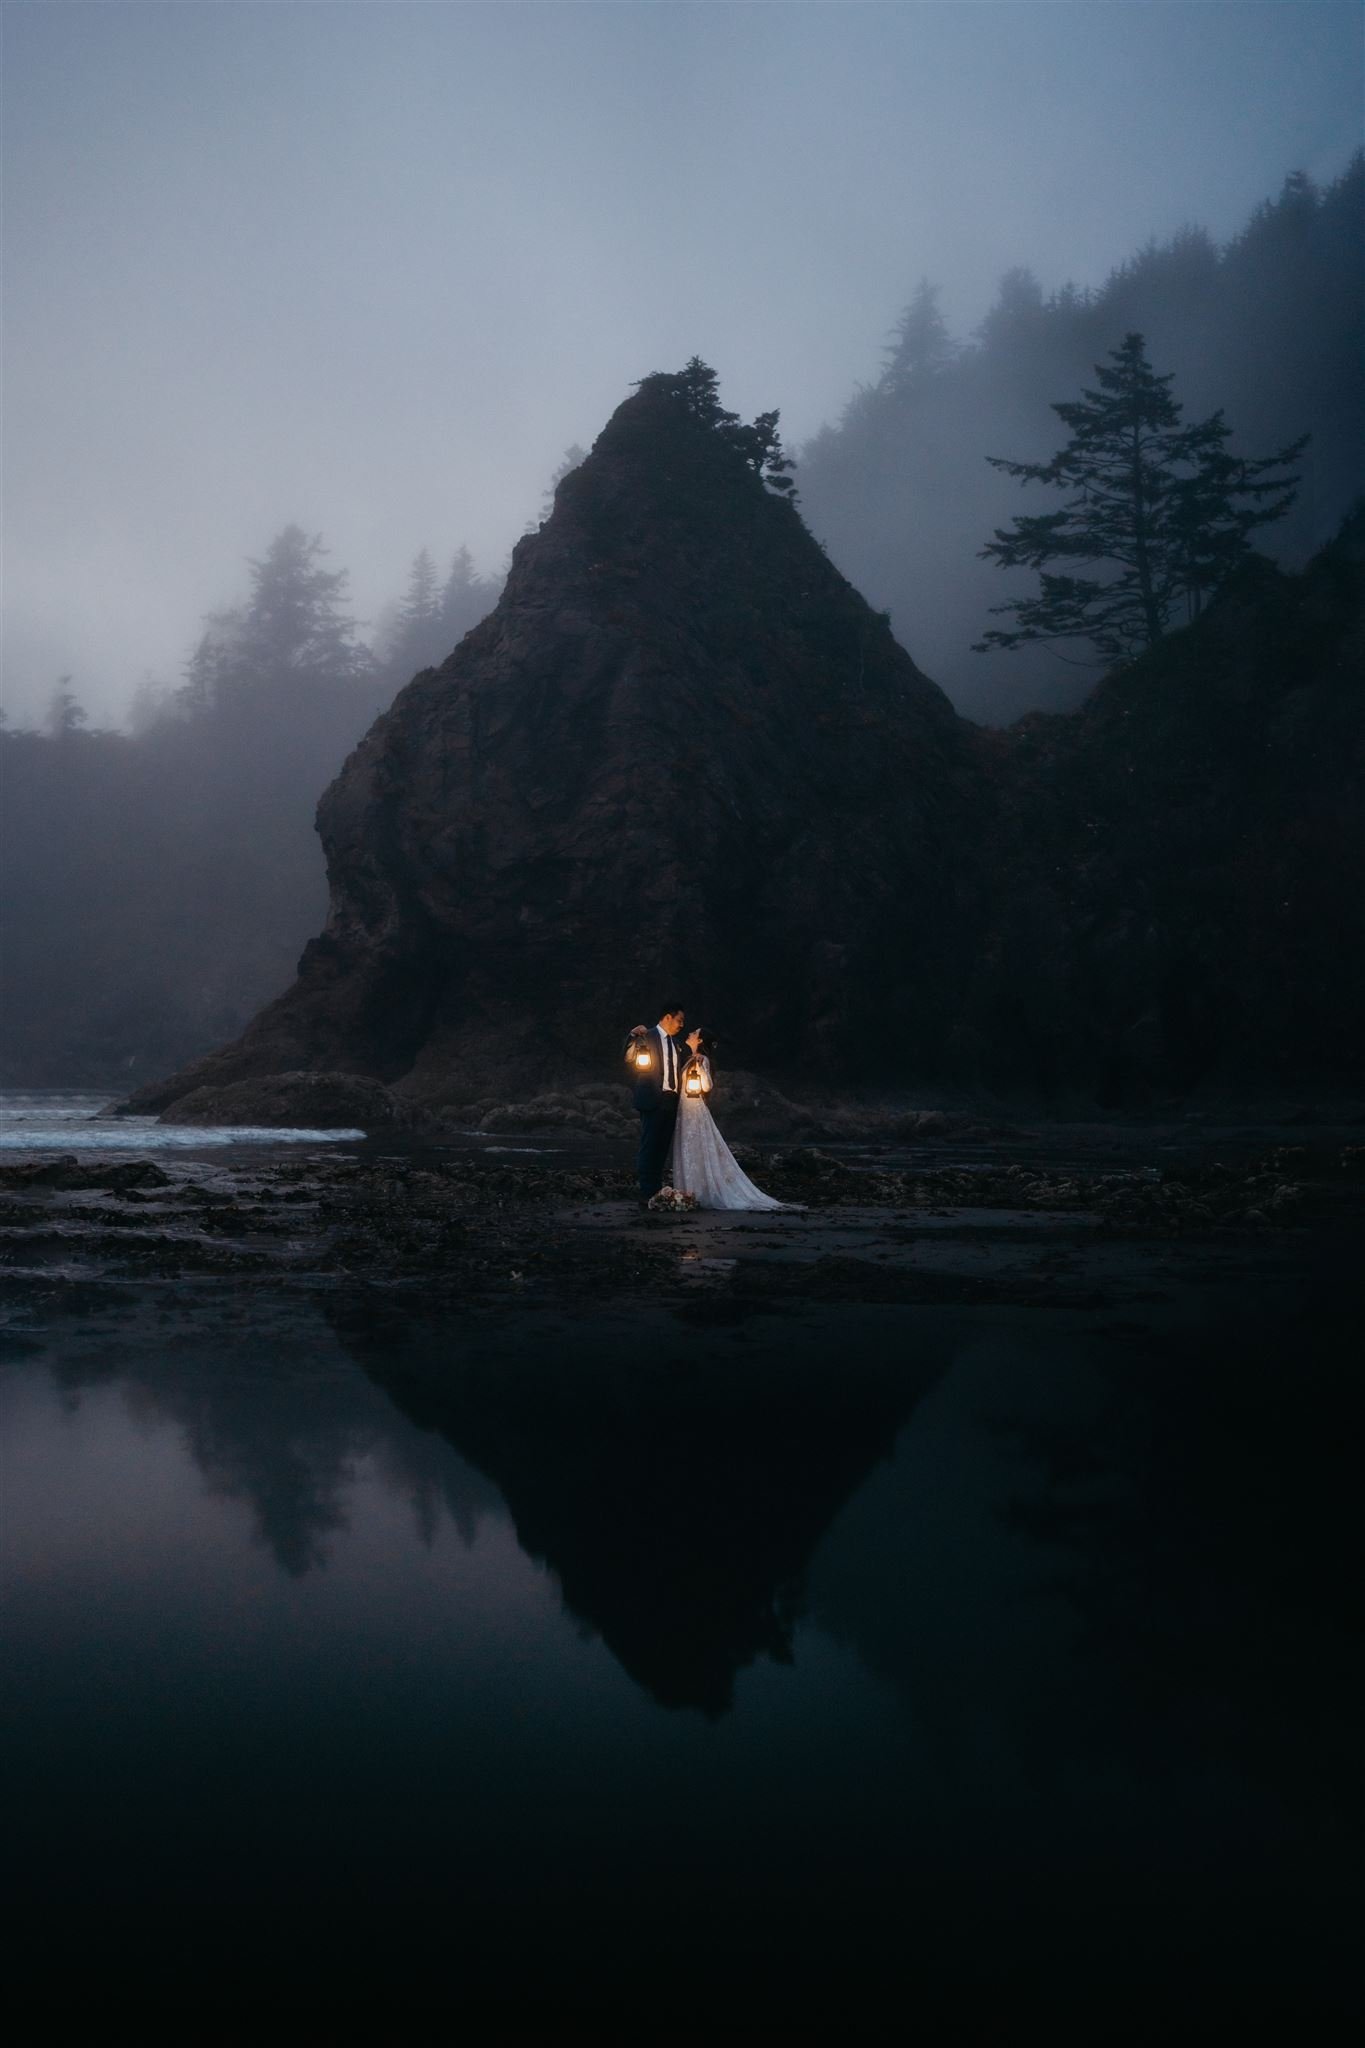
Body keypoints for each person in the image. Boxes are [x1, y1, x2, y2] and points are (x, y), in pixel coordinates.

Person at [671, 1034, 789, 1212]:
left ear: (700, 1040)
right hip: (684, 1108)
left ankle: (699, 1191)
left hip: (694, 1109)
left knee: (696, 1146)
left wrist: (700, 1067)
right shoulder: (688, 1059)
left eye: (694, 1033)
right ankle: (690, 1189)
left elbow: (707, 1085)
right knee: (689, 1147)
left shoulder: (702, 1059)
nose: (690, 1034)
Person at [625, 1005, 701, 1203]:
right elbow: (628, 1056)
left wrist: (694, 1057)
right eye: (679, 1020)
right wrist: (632, 1036)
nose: (682, 1025)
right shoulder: (646, 1036)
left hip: (671, 1100)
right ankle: (647, 1190)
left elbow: (681, 1069)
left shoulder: (676, 1044)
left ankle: (656, 1188)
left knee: (662, 1146)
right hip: (652, 1097)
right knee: (649, 1144)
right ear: (668, 1017)